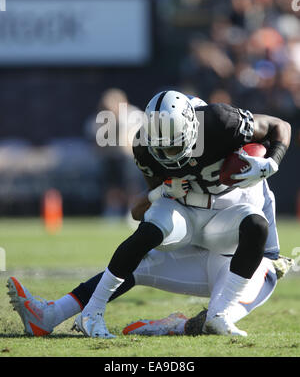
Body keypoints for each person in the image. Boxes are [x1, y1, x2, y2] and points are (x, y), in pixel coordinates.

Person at [74, 90, 291, 337]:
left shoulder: (220, 122)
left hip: (225, 221)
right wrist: (165, 189)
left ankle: (219, 315)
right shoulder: (143, 144)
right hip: (185, 216)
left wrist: (271, 162)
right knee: (150, 230)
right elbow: (146, 201)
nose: (170, 155)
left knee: (256, 225)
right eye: (163, 148)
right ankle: (92, 312)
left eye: (176, 144)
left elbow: (280, 126)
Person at [6, 248, 293, 337]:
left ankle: (174, 326)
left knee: (214, 324)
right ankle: (50, 315)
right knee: (140, 260)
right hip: (203, 255)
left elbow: (281, 128)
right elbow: (140, 211)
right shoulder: (187, 159)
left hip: (245, 267)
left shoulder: (253, 180)